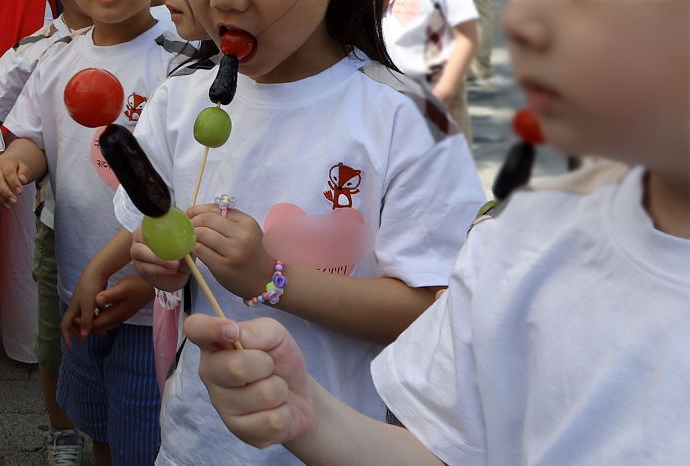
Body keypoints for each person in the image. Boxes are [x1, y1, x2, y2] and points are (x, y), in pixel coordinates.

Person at [183, 0, 690, 464]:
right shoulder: (520, 241)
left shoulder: (407, 118)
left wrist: (271, 278)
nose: (520, 22)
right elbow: (443, 450)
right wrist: (308, 414)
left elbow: (421, 303)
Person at [117, 0, 485, 463]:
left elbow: (428, 312)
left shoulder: (407, 118)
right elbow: (150, 234)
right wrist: (158, 259)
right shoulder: (178, 97)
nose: (226, 4)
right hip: (194, 438)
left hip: (339, 445)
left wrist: (269, 278)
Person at [0, 0, 195, 463]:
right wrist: (14, 161)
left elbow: (194, 181)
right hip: (77, 282)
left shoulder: (181, 62)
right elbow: (32, 135)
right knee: (97, 417)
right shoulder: (56, 57)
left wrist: (148, 282)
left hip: (152, 298)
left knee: (142, 428)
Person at [0, 1, 92, 463]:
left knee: (132, 348)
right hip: (61, 225)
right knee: (56, 340)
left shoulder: (173, 51)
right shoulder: (42, 48)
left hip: (140, 237)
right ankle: (63, 433)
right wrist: (7, 160)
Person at [383, 0, 478, 145]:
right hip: (390, 93)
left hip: (439, 96)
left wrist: (441, 96)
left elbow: (466, 38)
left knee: (444, 160)